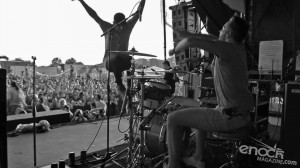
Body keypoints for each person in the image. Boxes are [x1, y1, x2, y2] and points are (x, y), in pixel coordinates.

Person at [166, 16, 254, 168]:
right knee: (200, 111)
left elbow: (190, 43)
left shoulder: (226, 48)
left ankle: (172, 165)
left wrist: (175, 49)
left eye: (224, 26)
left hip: (228, 116)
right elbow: (211, 39)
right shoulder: (238, 49)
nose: (220, 29)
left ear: (228, 35)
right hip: (240, 114)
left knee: (172, 118)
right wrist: (190, 35)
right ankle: (198, 157)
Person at [78, 0, 146, 97]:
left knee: (131, 60)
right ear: (113, 23)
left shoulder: (128, 27)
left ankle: (132, 88)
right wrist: (81, 1)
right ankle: (120, 85)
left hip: (123, 61)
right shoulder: (107, 27)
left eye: (123, 25)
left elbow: (138, 12)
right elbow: (94, 15)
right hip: (109, 62)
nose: (121, 28)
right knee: (116, 59)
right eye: (119, 26)